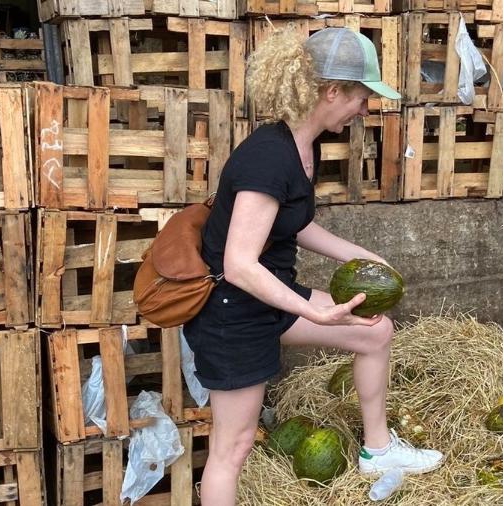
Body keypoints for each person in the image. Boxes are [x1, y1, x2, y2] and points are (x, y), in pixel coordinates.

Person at [182, 25, 445, 506]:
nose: (364, 110)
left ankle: (378, 450)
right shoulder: (267, 157)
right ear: (331, 91)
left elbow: (291, 226)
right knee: (233, 446)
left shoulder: (303, 146)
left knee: (374, 331)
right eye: (361, 98)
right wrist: (315, 311)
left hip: (268, 297)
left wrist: (359, 255)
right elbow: (240, 264)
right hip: (232, 314)